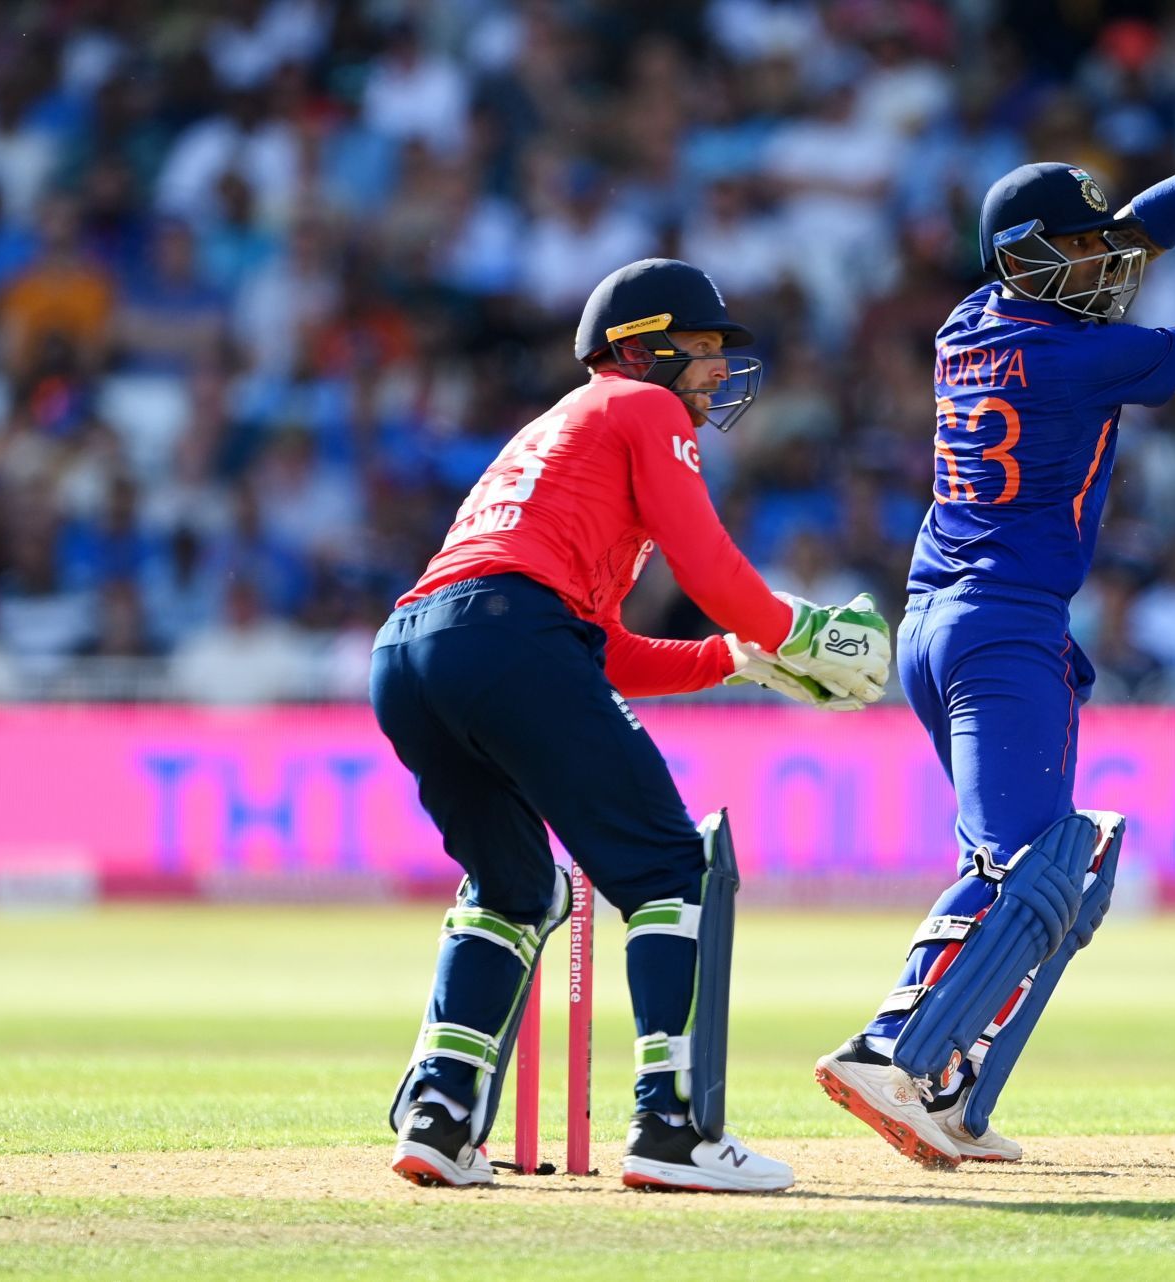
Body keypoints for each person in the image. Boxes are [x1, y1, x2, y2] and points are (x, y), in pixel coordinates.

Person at [815, 92, 1175, 1166]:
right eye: (1077, 249)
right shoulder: (1076, 359)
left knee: (1065, 864)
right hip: (1004, 627)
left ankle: (950, 1090)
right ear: (1026, 260)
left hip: (937, 618)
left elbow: (1127, 243)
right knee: (1027, 862)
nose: (1106, 265)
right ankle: (891, 1046)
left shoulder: (965, 324)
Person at [374, 258, 889, 1193]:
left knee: (515, 887)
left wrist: (736, 657)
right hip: (509, 637)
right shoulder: (639, 408)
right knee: (665, 869)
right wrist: (800, 630)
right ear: (640, 349)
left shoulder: (559, 429)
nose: (713, 372)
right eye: (697, 350)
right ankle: (672, 1129)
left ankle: (440, 1116)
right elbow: (711, 571)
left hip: (414, 650)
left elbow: (598, 651)